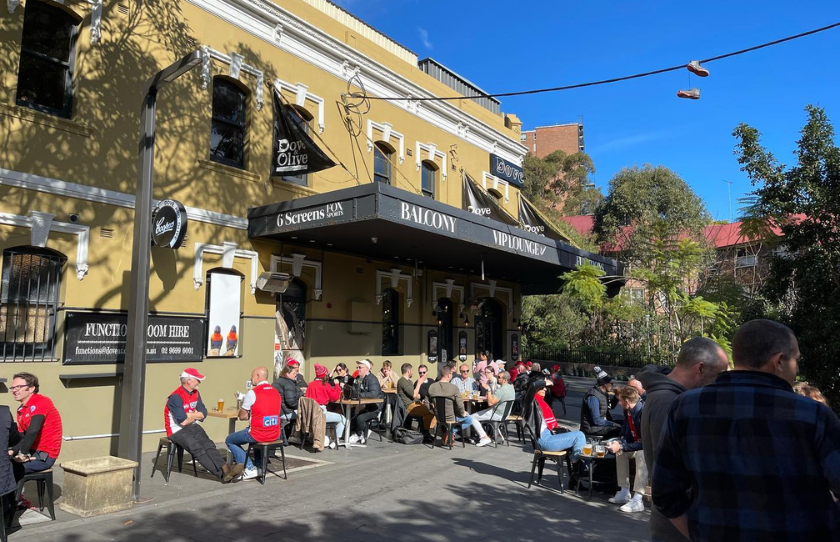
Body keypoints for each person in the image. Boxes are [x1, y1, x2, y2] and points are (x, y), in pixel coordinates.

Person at [652, 319, 840, 541]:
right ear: (779, 361)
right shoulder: (813, 415)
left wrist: (698, 535)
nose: (797, 369)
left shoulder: (685, 407)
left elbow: (665, 493)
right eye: (796, 360)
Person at [636, 337, 729, 542]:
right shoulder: (671, 402)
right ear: (700, 368)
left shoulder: (667, 398)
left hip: (677, 523)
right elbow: (669, 476)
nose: (720, 381)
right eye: (719, 374)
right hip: (679, 527)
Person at [164, 368, 243, 483]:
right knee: (197, 449)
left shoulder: (195, 393)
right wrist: (196, 415)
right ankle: (222, 474)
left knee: (209, 445)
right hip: (176, 430)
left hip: (191, 425)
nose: (199, 382)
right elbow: (182, 421)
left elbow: (204, 412)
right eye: (197, 380)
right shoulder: (176, 397)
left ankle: (226, 470)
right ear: (189, 381)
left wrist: (190, 414)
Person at [225, 367, 282, 481]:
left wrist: (247, 412)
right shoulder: (276, 392)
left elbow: (242, 416)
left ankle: (250, 468)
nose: (251, 379)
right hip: (275, 433)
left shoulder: (253, 392)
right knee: (255, 440)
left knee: (229, 440)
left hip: (258, 433)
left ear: (257, 376)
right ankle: (260, 467)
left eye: (252, 376)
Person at [9, 372, 62, 475]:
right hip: (31, 450)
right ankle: (17, 491)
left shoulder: (41, 401)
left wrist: (23, 453)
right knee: (4, 464)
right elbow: (23, 437)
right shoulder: (21, 409)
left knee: (7, 471)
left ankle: (17, 491)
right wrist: (13, 450)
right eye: (13, 387)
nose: (14, 390)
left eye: (18, 387)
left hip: (44, 455)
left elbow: (33, 430)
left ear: (31, 388)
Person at [606, 386, 646, 512]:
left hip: (648, 449)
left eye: (620, 400)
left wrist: (622, 445)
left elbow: (646, 443)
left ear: (627, 402)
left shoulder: (642, 412)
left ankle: (638, 499)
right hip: (634, 445)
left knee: (641, 454)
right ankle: (624, 492)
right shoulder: (628, 411)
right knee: (620, 452)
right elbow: (626, 429)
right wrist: (620, 442)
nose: (619, 403)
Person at [428, 366, 492, 447]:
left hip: (438, 416)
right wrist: (462, 412)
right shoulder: (453, 388)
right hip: (452, 416)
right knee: (469, 419)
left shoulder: (432, 387)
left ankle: (449, 433)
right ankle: (451, 432)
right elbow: (460, 404)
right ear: (449, 375)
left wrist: (432, 411)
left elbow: (427, 401)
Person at [526, 379, 585, 458]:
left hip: (548, 435)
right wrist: (545, 382)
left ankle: (577, 463)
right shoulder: (530, 401)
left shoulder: (541, 401)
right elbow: (532, 385)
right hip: (544, 440)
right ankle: (578, 462)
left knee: (578, 439)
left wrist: (557, 427)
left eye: (545, 387)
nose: (545, 389)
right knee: (579, 436)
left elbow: (543, 422)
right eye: (542, 387)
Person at [305, 363, 346, 447]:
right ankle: (336, 440)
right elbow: (335, 397)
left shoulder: (310, 385)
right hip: (321, 413)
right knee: (343, 419)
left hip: (310, 414)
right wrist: (337, 386)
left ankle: (326, 437)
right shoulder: (325, 385)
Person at [471, 371, 515, 439]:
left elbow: (490, 403)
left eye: (499, 377)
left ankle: (484, 437)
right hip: (506, 414)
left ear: (505, 380)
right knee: (486, 411)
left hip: (497, 414)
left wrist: (488, 390)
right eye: (497, 376)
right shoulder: (511, 388)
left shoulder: (501, 390)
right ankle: (498, 435)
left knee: (472, 417)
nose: (497, 378)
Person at [580, 366, 621, 439]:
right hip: (591, 428)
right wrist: (612, 424)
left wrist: (616, 397)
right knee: (621, 430)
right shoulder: (593, 396)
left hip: (600, 425)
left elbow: (609, 407)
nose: (612, 386)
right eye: (611, 383)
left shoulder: (603, 393)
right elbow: (596, 421)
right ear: (605, 384)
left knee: (625, 424)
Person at [349, 359, 384, 443]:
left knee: (360, 418)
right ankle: (358, 433)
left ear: (367, 369)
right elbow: (354, 389)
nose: (358, 369)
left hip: (374, 407)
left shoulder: (372, 379)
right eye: (357, 367)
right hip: (364, 405)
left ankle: (358, 434)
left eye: (360, 367)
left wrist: (359, 395)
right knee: (350, 415)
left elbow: (373, 394)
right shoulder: (358, 378)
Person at [396, 363, 435, 438]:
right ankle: (425, 432)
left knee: (431, 410)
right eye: (412, 370)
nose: (413, 372)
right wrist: (419, 383)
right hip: (409, 406)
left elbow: (416, 394)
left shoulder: (409, 381)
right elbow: (414, 395)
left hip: (416, 403)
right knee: (429, 412)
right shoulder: (402, 381)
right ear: (409, 371)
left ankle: (425, 431)